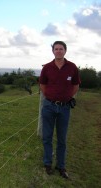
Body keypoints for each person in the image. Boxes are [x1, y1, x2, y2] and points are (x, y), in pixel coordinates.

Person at [39, 41, 81, 179]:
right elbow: (43, 85)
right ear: (53, 51)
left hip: (65, 107)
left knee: (62, 139)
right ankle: (47, 164)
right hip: (49, 106)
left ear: (65, 51)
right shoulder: (47, 68)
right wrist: (51, 97)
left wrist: (68, 97)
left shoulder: (72, 67)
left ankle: (61, 166)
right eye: (56, 49)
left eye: (61, 49)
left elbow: (75, 85)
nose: (58, 51)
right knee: (47, 137)